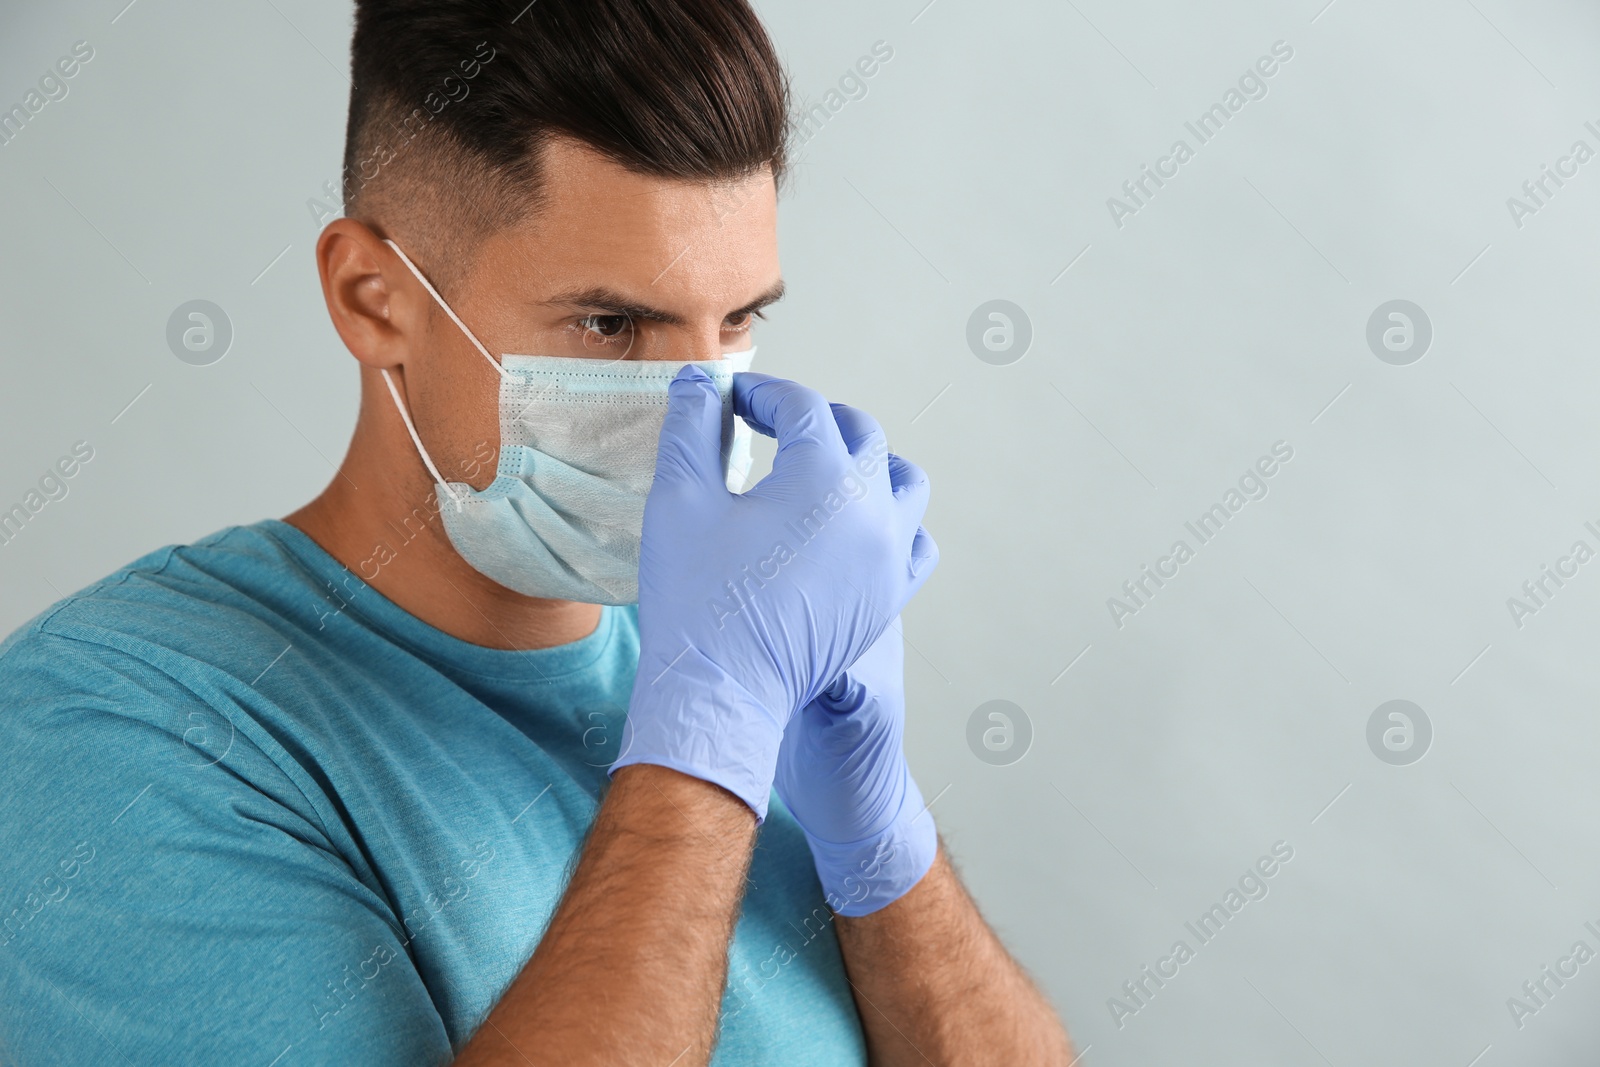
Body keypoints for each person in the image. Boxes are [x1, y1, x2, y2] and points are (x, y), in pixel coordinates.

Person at [0, 1, 1075, 1063]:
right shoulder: (113, 733)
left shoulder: (748, 645)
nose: (697, 409)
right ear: (373, 298)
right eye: (612, 324)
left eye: (738, 318)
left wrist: (880, 841)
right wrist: (701, 754)